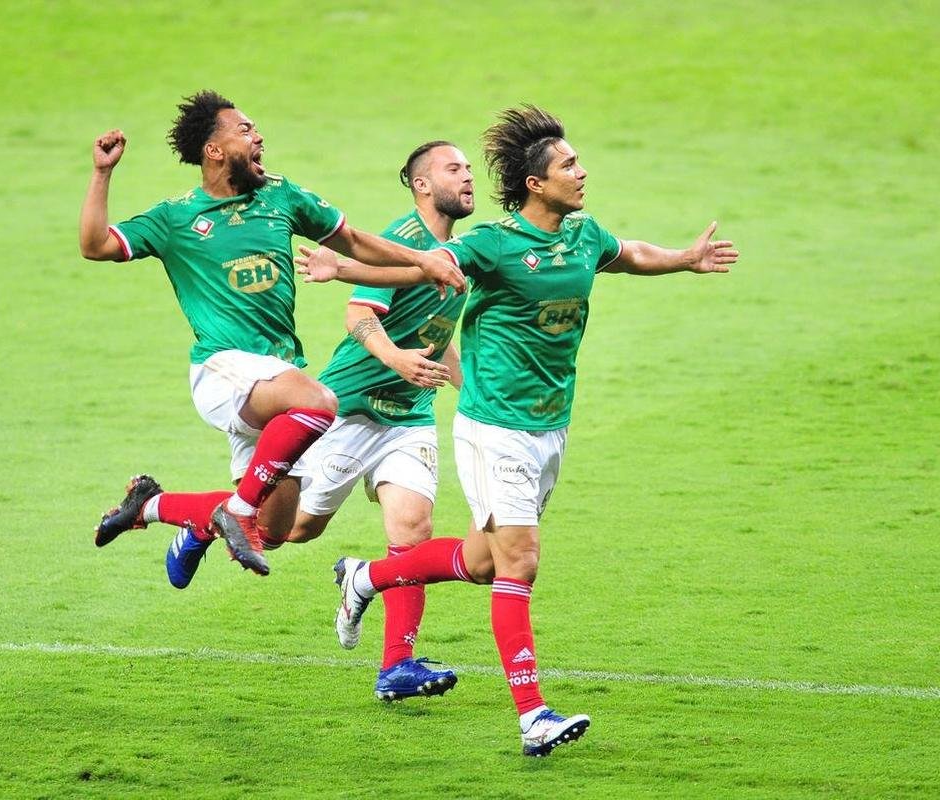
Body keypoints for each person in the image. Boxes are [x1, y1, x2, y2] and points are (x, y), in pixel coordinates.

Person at [305, 105, 739, 756]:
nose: (582, 172)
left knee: (483, 563)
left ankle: (365, 578)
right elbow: (420, 264)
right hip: (494, 427)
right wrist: (348, 271)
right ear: (535, 184)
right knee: (521, 563)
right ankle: (532, 715)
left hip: (548, 427)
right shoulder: (493, 245)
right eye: (569, 165)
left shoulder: (582, 235)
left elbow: (627, 254)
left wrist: (683, 259)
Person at [81, 90, 464, 577]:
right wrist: (102, 172)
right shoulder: (176, 218)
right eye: (244, 130)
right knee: (320, 402)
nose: (258, 135)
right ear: (213, 150)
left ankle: (150, 506)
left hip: (277, 375)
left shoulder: (280, 195)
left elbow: (353, 241)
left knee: (276, 529)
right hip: (223, 368)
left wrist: (421, 259)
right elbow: (95, 245)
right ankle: (235, 512)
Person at [166, 141, 476, 703]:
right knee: (289, 529)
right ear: (422, 185)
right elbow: (360, 315)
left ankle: (396, 666)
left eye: (469, 168)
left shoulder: (455, 254)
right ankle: (194, 520)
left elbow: (436, 338)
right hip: (350, 408)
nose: (469, 176)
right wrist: (397, 359)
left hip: (408, 416)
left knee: (413, 529)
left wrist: (470, 389)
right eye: (454, 169)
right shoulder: (404, 243)